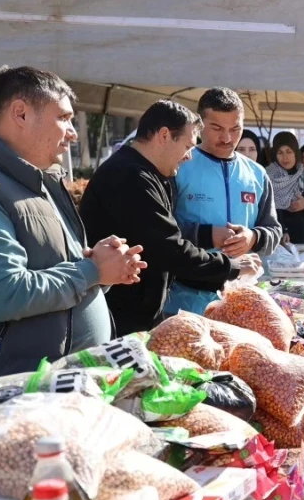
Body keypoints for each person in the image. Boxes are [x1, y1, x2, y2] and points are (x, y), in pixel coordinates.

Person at [0, 66, 147, 425]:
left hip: (51, 396)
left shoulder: (39, 181)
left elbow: (55, 270)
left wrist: (102, 267)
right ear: (20, 114)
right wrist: (92, 270)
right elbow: (4, 293)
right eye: (63, 118)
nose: (72, 132)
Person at [81, 101, 261, 334]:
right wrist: (232, 267)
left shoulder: (150, 174)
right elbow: (169, 248)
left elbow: (166, 238)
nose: (189, 157)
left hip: (137, 312)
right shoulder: (129, 176)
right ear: (164, 136)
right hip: (119, 317)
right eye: (187, 146)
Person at [166, 87, 281, 316]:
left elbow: (273, 230)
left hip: (241, 300)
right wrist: (207, 234)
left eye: (235, 129)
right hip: (185, 298)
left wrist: (253, 237)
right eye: (217, 128)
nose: (227, 138)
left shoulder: (257, 174)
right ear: (199, 126)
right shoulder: (178, 166)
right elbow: (160, 232)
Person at [266, 131, 304, 244]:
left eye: (289, 151)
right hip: (280, 240)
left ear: (295, 152)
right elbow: (265, 210)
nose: (285, 157)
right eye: (280, 152)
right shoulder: (267, 176)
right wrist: (283, 230)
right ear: (275, 154)